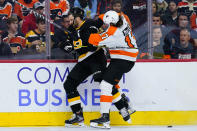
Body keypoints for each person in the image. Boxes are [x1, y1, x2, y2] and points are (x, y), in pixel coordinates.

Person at [63, 7, 133, 127]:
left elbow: (93, 45)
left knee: (104, 83)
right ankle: (78, 115)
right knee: (69, 84)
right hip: (83, 61)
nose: (69, 21)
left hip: (96, 57)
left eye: (71, 18)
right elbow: (66, 42)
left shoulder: (90, 24)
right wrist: (66, 45)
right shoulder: (71, 29)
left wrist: (78, 45)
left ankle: (123, 107)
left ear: (77, 17)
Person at [88, 10, 138, 128]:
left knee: (105, 85)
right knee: (109, 83)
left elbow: (92, 40)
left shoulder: (113, 34)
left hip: (123, 60)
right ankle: (124, 104)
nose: (104, 26)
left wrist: (87, 30)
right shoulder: (123, 18)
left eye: (106, 24)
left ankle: (105, 118)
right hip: (124, 58)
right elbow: (107, 15)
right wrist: (100, 19)